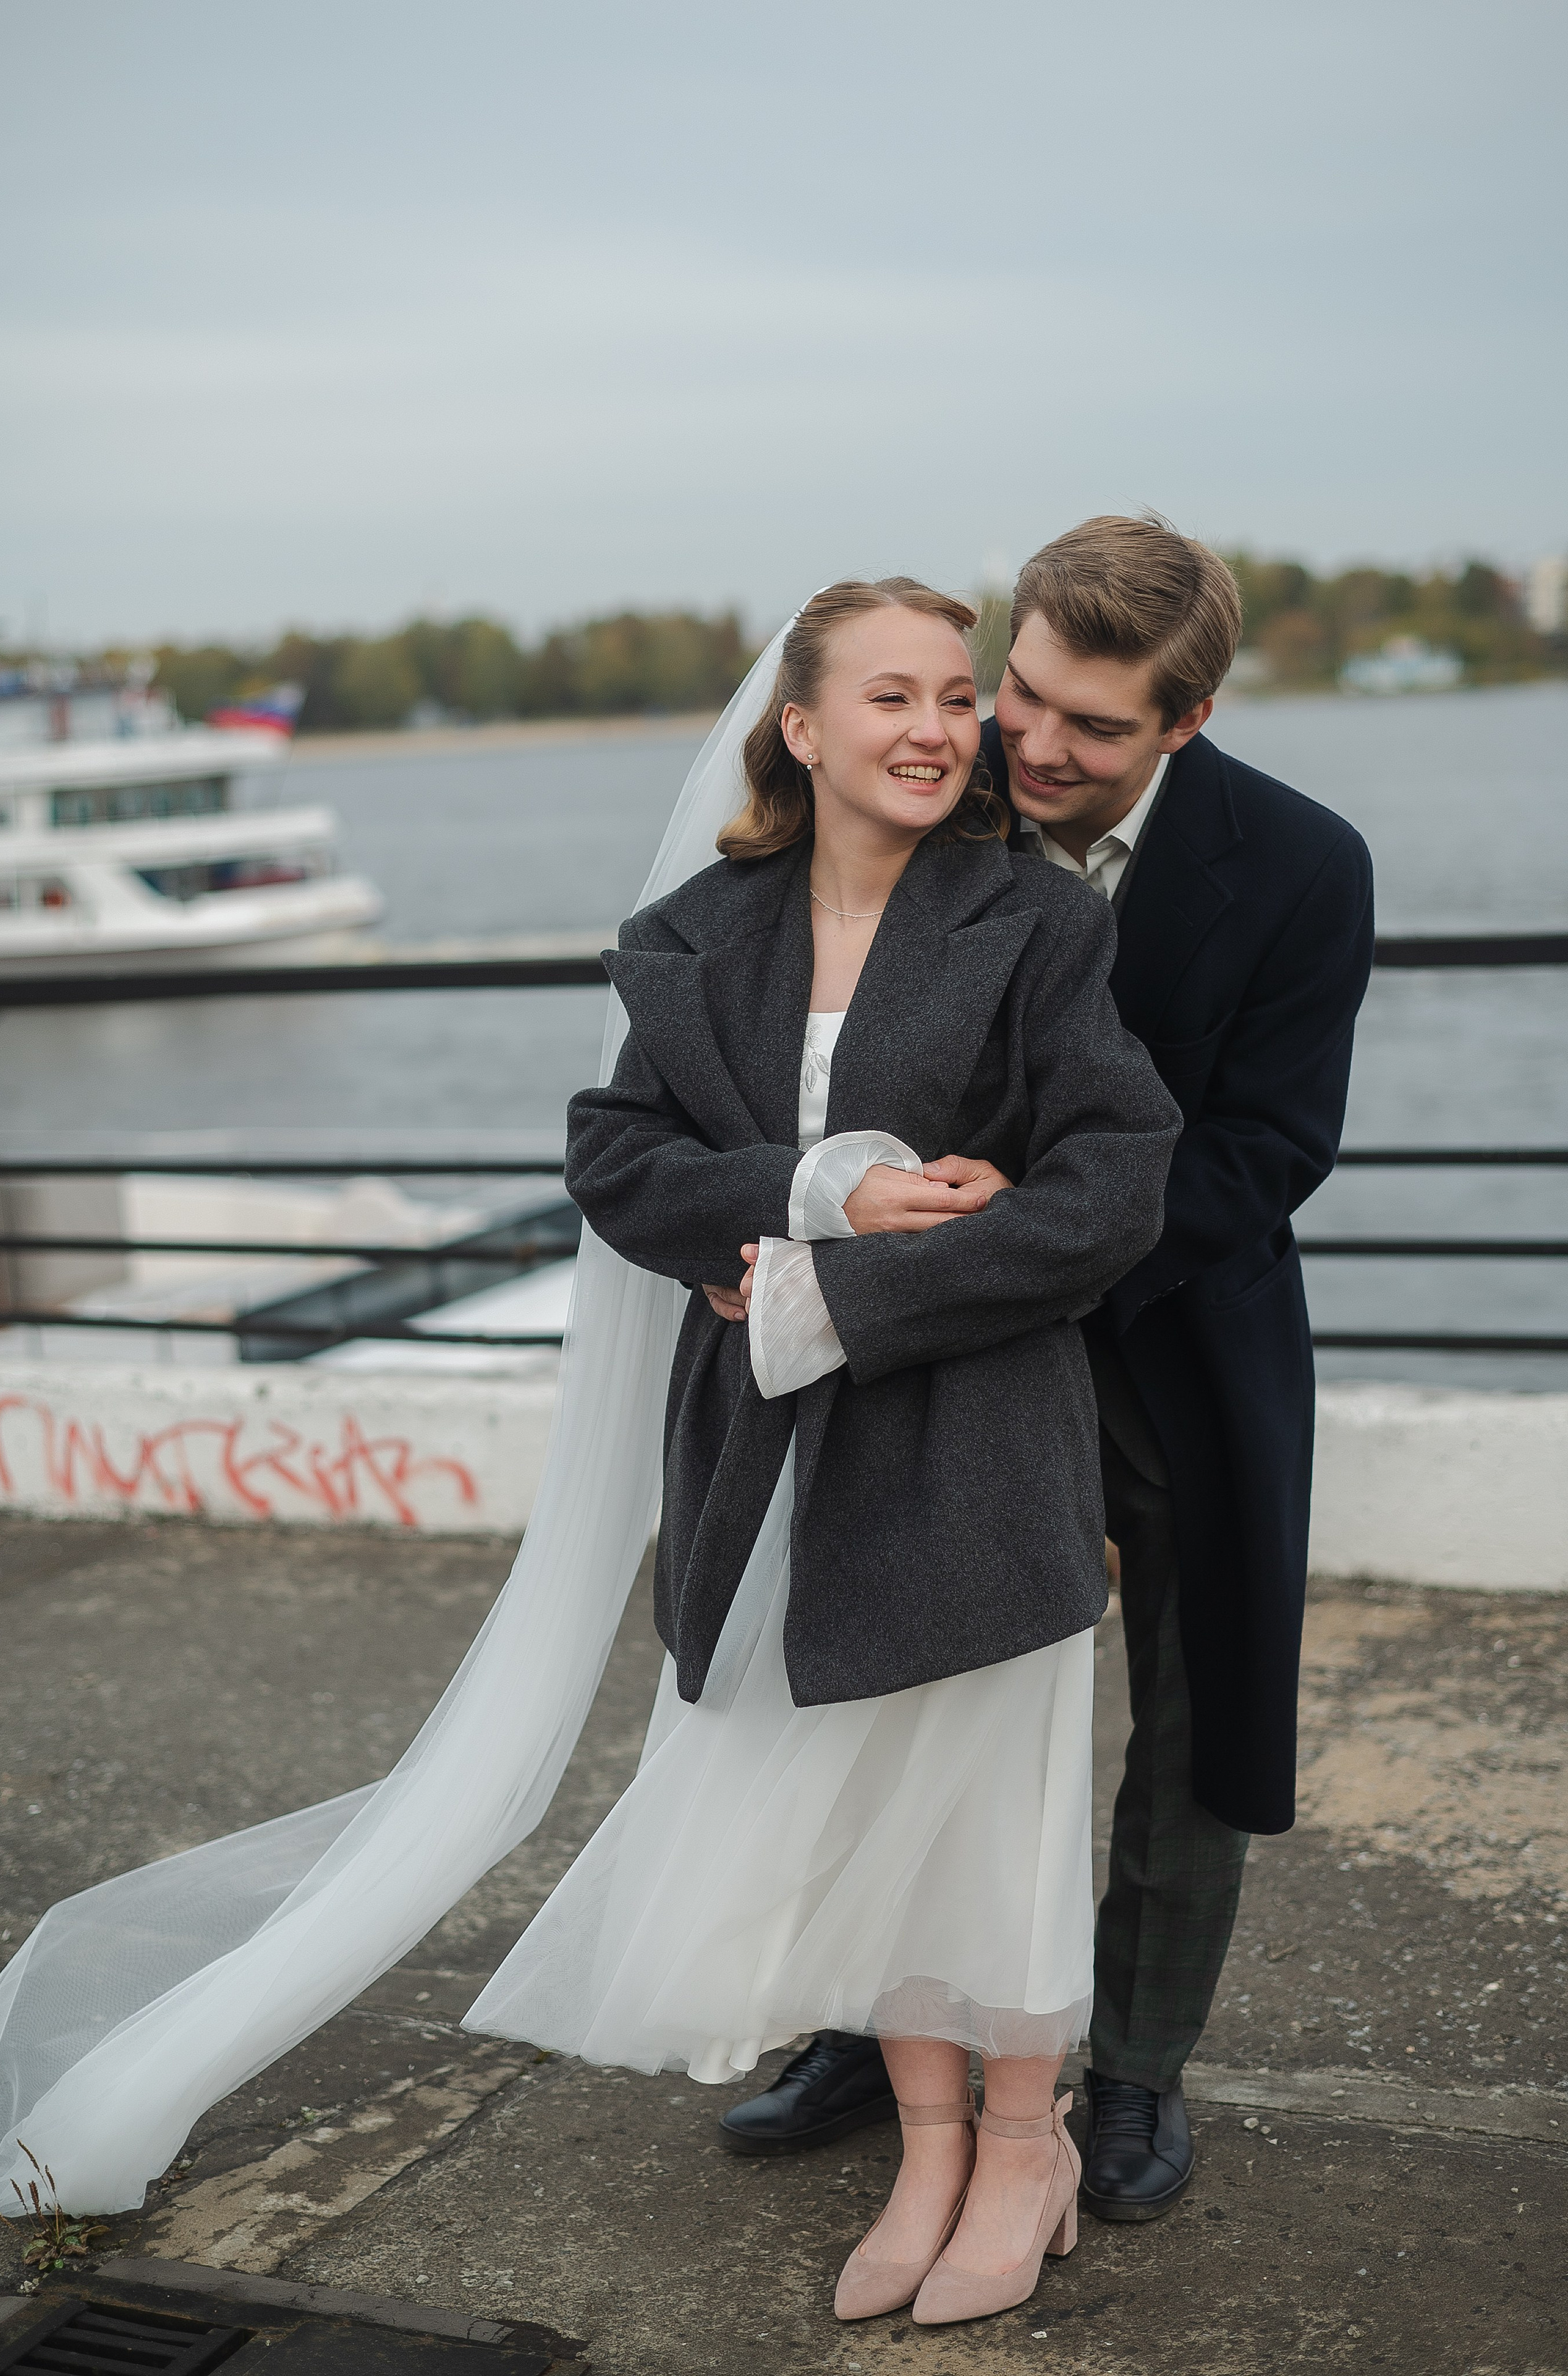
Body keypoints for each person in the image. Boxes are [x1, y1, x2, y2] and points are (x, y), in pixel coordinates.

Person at [465, 576, 1180, 2325]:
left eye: (959, 695)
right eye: (894, 697)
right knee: (867, 1804)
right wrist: (810, 1196)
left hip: (976, 1439)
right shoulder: (691, 935)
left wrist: (846, 1296)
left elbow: (1116, 1182)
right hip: (763, 1464)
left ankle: (1027, 2145)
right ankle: (927, 2142)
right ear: (801, 728)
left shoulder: (1038, 923)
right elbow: (616, 1157)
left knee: (989, 1814)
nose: (941, 727)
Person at [719, 518, 1375, 2230]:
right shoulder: (940, 798)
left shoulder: (1306, 867)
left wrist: (1059, 1247)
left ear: (1192, 718)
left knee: (1189, 1720)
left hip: (1183, 1341)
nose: (1032, 744)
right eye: (1023, 694)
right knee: (905, 1686)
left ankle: (1140, 2070)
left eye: (1093, 725)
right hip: (934, 1350)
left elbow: (1271, 1149)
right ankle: (879, 2025)